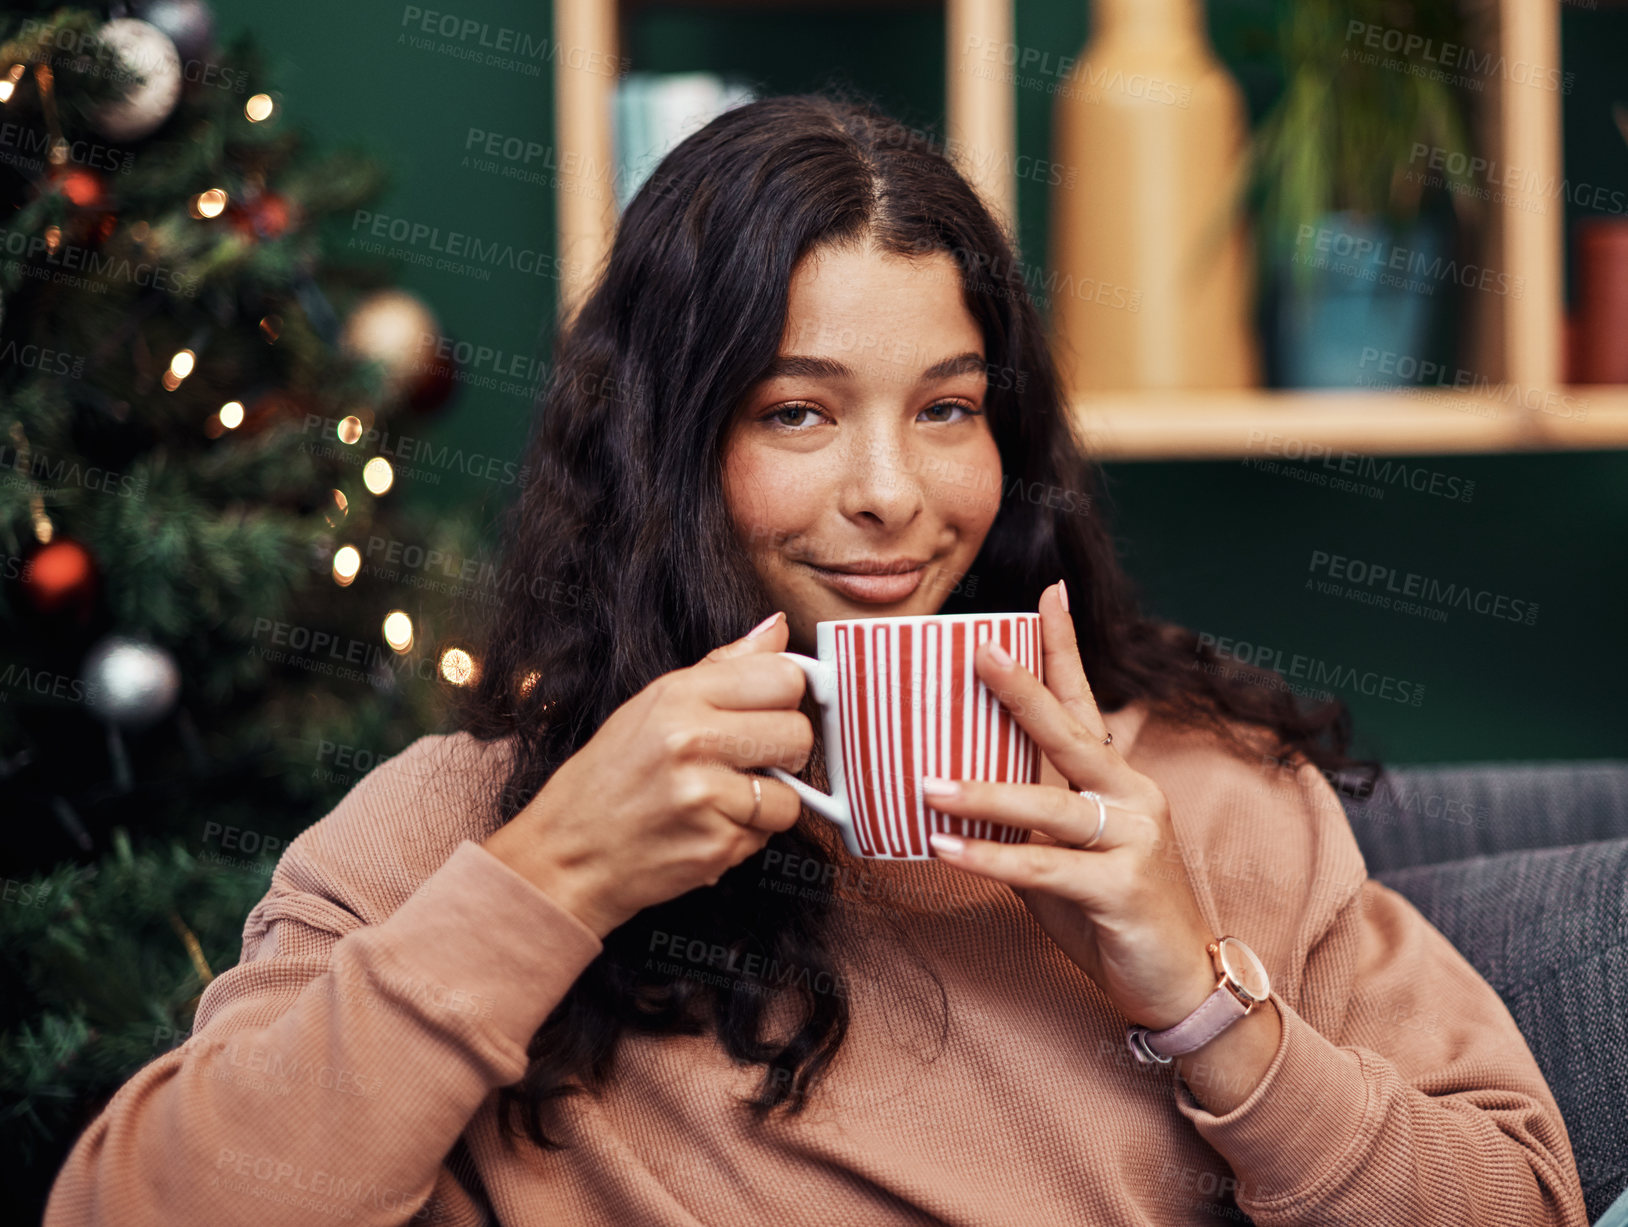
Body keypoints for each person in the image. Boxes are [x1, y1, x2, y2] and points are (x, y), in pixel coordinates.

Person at [44, 94, 1588, 1226]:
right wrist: (554, 879)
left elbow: (1518, 1203)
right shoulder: (464, 821)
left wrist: (1197, 1002)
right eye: (798, 411)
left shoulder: (1198, 801)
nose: (893, 497)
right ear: (667, 452)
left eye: (947, 406)